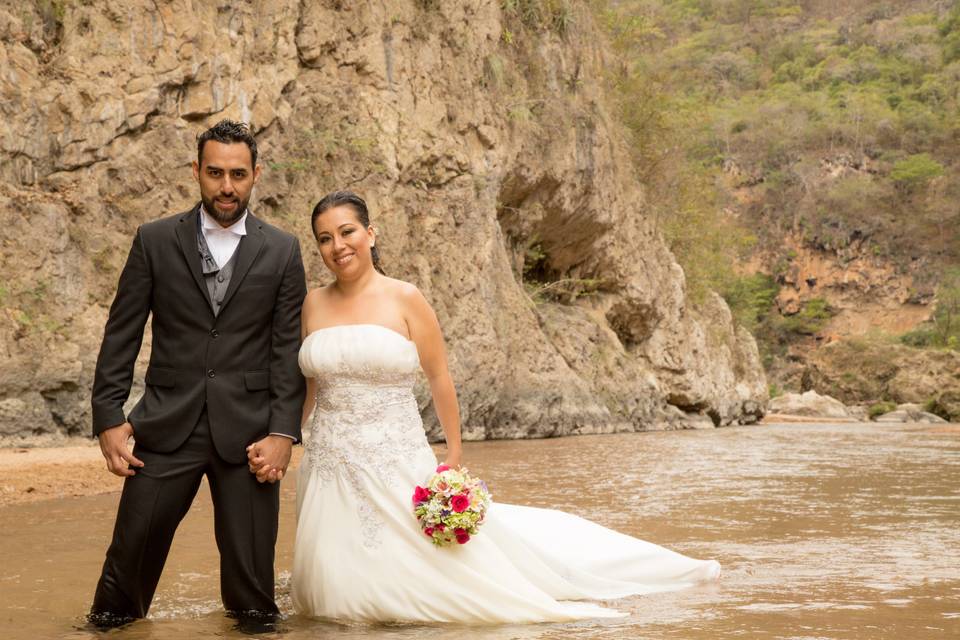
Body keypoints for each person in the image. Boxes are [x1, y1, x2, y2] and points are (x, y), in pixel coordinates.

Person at [248, 190, 721, 623]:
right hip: (330, 456)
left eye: (347, 232)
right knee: (331, 581)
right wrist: (286, 436)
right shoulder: (310, 306)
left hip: (394, 449)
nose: (338, 246)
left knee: (431, 563)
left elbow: (438, 377)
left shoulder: (406, 297)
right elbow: (310, 386)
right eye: (325, 238)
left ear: (370, 234)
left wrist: (453, 454)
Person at [89, 120, 306, 628]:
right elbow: (122, 332)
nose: (226, 186)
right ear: (196, 171)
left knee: (254, 596)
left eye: (237, 174)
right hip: (166, 426)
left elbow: (286, 350)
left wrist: (282, 433)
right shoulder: (154, 240)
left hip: (251, 434)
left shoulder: (282, 250)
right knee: (122, 579)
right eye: (214, 173)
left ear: (255, 175)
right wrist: (108, 416)